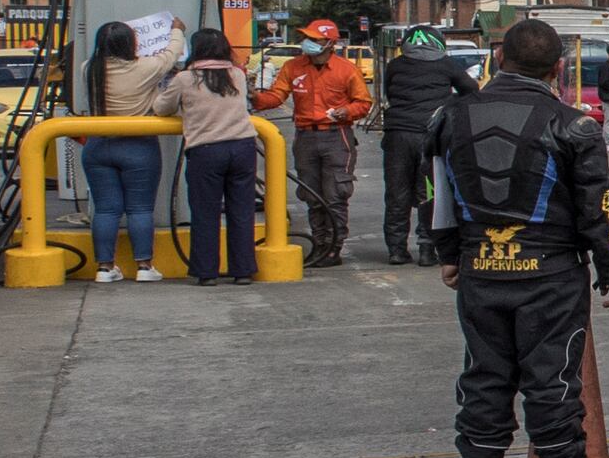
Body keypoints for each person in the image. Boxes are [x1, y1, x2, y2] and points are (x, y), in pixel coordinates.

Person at [430, 15, 609, 458]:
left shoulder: (449, 119)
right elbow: (599, 206)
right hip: (552, 272)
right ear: (558, 69)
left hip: (481, 268)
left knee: (484, 372)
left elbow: (440, 196)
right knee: (554, 374)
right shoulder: (574, 126)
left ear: (499, 58)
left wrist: (449, 254)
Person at [142, 28, 268, 283]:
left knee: (205, 213)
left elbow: (161, 108)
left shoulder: (185, 79)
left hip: (206, 150)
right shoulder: (237, 75)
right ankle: (242, 271)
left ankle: (206, 272)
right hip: (243, 147)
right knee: (241, 212)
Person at [265, 19, 371, 269]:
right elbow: (275, 96)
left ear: (329, 43)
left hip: (337, 136)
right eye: (307, 38)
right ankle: (319, 243)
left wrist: (345, 111)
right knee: (311, 194)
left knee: (336, 194)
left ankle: (334, 248)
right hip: (305, 137)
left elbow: (364, 103)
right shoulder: (293, 67)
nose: (308, 44)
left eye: (314, 39)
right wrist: (253, 97)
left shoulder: (346, 70)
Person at [75, 21, 168, 284]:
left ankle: (105, 268)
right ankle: (144, 266)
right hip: (139, 146)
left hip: (98, 145)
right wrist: (175, 30)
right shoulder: (147, 67)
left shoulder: (88, 68)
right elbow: (171, 53)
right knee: (140, 208)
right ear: (131, 44)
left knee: (105, 210)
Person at [376, 28, 470, 264]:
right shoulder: (447, 65)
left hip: (397, 135)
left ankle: (396, 250)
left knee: (396, 193)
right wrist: (449, 104)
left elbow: (388, 93)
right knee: (429, 193)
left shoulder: (395, 65)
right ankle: (427, 250)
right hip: (430, 137)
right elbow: (472, 90)